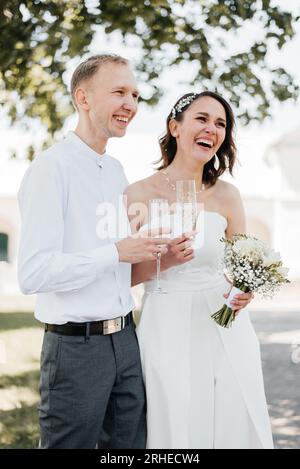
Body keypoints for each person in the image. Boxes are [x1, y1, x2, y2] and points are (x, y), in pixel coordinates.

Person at [17, 53, 189, 449]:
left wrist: (161, 253)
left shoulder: (115, 172)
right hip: (76, 348)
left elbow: (119, 264)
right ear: (84, 97)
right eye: (119, 92)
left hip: (127, 340)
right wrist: (116, 251)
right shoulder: (51, 168)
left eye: (135, 94)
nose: (131, 103)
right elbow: (33, 273)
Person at [125, 91, 274, 449]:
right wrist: (167, 260)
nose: (213, 128)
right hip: (165, 324)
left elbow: (243, 265)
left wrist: (245, 290)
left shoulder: (227, 195)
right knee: (174, 424)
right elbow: (122, 278)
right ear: (175, 127)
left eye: (221, 123)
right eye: (202, 119)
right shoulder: (137, 194)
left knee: (233, 423)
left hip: (224, 328)